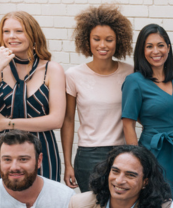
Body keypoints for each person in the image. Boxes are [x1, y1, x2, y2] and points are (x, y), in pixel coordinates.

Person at [0, 11, 65, 186]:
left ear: (33, 35)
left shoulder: (52, 69)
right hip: (2, 153)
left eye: (19, 31)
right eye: (6, 31)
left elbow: (56, 120)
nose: (11, 36)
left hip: (42, 153)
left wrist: (8, 124)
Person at [62, 4, 134, 192]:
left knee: (121, 206)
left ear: (118, 41)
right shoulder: (73, 75)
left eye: (109, 40)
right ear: (87, 40)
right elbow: (68, 120)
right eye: (96, 39)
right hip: (88, 154)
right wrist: (67, 164)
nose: (102, 45)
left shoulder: (129, 73)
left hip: (121, 152)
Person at [122, 24, 173, 197]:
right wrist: (136, 161)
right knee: (156, 203)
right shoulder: (134, 81)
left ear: (168, 47)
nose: (156, 51)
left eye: (160, 45)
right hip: (153, 152)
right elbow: (128, 124)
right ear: (142, 51)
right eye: (149, 46)